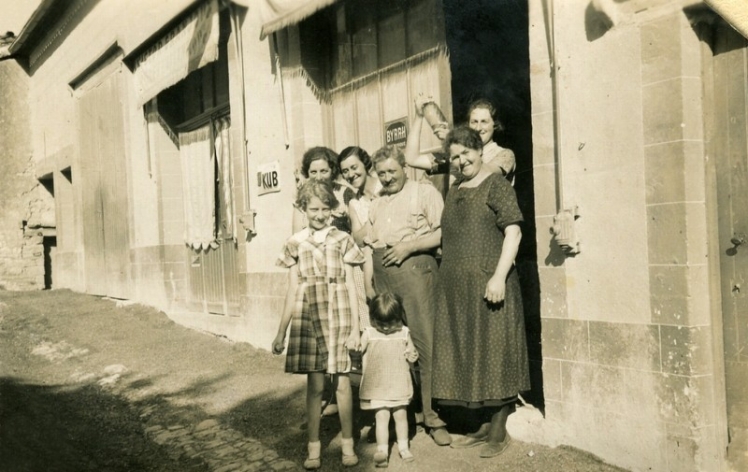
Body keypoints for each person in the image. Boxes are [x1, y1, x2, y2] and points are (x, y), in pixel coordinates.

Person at [432, 126, 530, 458]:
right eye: (454, 157)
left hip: (490, 282)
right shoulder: (456, 189)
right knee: (471, 354)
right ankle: (482, 426)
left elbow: (513, 233)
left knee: (495, 352)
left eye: (466, 153)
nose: (461, 161)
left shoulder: (497, 185)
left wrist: (499, 277)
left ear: (479, 150)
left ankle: (499, 432)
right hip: (457, 289)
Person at [272, 179, 363, 469]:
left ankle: (348, 444)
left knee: (343, 384)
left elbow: (351, 283)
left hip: (339, 314)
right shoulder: (295, 243)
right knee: (314, 386)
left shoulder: (343, 239)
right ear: (303, 209)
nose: (320, 214)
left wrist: (356, 327)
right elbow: (292, 289)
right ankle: (313, 448)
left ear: (333, 209)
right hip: (309, 315)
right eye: (314, 209)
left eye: (325, 208)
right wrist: (281, 330)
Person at [367, 144, 451, 446]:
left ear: (405, 167)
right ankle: (405, 410)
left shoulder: (424, 192)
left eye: (392, 170)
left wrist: (409, 246)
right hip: (384, 276)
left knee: (424, 342)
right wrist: (370, 282)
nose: (387, 178)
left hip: (416, 272)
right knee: (393, 344)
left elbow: (444, 232)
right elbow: (369, 243)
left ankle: (431, 415)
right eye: (381, 173)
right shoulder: (376, 202)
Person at [359, 292, 419, 468]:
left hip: (398, 383)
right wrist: (354, 345)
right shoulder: (369, 333)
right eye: (381, 324)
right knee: (382, 417)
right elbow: (359, 349)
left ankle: (403, 447)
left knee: (401, 416)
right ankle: (382, 450)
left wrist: (412, 355)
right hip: (378, 385)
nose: (385, 328)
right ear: (373, 318)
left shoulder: (403, 332)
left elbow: (412, 353)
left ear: (398, 317)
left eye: (390, 324)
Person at [405, 95, 516, 185]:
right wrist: (419, 116)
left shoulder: (505, 154)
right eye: (474, 122)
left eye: (484, 122)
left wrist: (454, 139)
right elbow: (412, 159)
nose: (478, 128)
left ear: (495, 125)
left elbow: (484, 174)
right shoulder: (454, 156)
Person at [338, 146, 381, 303]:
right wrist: (376, 216)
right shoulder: (354, 203)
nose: (350, 174)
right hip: (365, 268)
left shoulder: (384, 187)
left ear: (365, 163)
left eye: (354, 167)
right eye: (345, 171)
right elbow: (357, 239)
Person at [293, 146, 355, 234]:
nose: (318, 177)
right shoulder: (302, 196)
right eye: (313, 172)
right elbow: (296, 237)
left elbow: (355, 229)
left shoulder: (345, 193)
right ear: (307, 173)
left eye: (323, 171)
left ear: (332, 171)